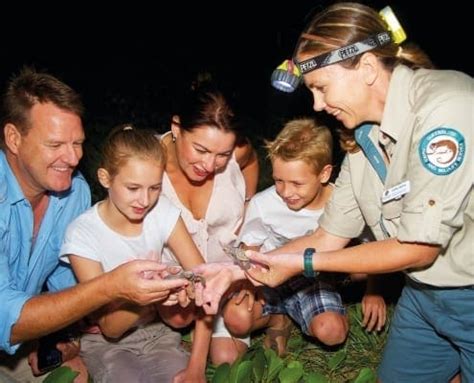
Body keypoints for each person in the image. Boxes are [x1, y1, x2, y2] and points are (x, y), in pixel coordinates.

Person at [226, 3, 472, 382]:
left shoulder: (448, 109)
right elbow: (328, 235)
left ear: (368, 68)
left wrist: (302, 264)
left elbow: (417, 247)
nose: (317, 105)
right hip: (425, 296)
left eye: (321, 88)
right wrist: (237, 267)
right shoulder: (363, 138)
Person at [0, 68, 188, 382]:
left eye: (78, 143)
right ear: (14, 138)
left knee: (74, 374)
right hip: (10, 325)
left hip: (22, 343)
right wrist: (111, 287)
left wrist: (62, 337)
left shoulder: (74, 192)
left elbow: (67, 281)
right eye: (56, 144)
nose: (72, 158)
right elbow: (6, 318)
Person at [60, 125, 210, 383]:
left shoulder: (161, 212)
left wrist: (196, 367)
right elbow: (110, 327)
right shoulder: (82, 234)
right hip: (105, 343)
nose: (144, 200)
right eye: (133, 188)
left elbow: (206, 283)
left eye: (154, 188)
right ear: (105, 178)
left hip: (158, 333)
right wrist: (152, 290)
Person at [234, 117, 386, 356]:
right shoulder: (264, 204)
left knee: (332, 332)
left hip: (314, 280)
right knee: (237, 317)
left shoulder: (346, 203)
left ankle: (315, 311)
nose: (285, 192)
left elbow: (373, 250)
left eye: (297, 183)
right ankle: (277, 320)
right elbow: (248, 246)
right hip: (267, 276)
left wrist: (373, 290)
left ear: (324, 173)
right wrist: (248, 282)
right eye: (278, 181)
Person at [160, 84, 259, 365]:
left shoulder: (238, 152)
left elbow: (251, 162)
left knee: (227, 356)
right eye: (200, 149)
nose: (209, 164)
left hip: (232, 268)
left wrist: (248, 205)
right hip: (183, 281)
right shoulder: (147, 163)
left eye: (221, 155)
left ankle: (277, 317)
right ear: (176, 127)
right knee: (179, 317)